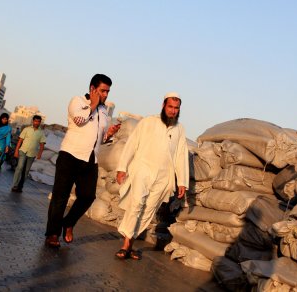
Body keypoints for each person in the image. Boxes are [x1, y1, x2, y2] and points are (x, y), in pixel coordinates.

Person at [45, 73, 120, 247]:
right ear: (92, 89)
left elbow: (98, 138)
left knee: (87, 196)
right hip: (70, 155)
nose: (106, 95)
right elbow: (79, 120)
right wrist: (93, 105)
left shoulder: (103, 110)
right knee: (60, 197)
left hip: (90, 159)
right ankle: (53, 234)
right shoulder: (77, 101)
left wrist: (109, 134)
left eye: (108, 91)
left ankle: (69, 222)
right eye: (103, 91)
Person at [114, 92, 189, 260]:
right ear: (163, 106)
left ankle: (130, 243)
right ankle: (125, 245)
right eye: (170, 107)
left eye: (176, 108)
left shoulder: (179, 129)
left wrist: (182, 181)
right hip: (143, 169)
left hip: (164, 176)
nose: (173, 111)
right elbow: (132, 143)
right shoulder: (148, 122)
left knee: (148, 210)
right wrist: (122, 167)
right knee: (137, 204)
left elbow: (181, 155)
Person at [11, 115, 46, 192]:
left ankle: (20, 186)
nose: (36, 123)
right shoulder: (26, 129)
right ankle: (14, 185)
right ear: (32, 121)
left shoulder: (41, 133)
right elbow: (20, 141)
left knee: (26, 171)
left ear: (40, 122)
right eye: (35, 121)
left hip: (32, 154)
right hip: (23, 151)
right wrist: (16, 151)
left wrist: (40, 154)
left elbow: (42, 144)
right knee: (20, 167)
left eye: (38, 121)